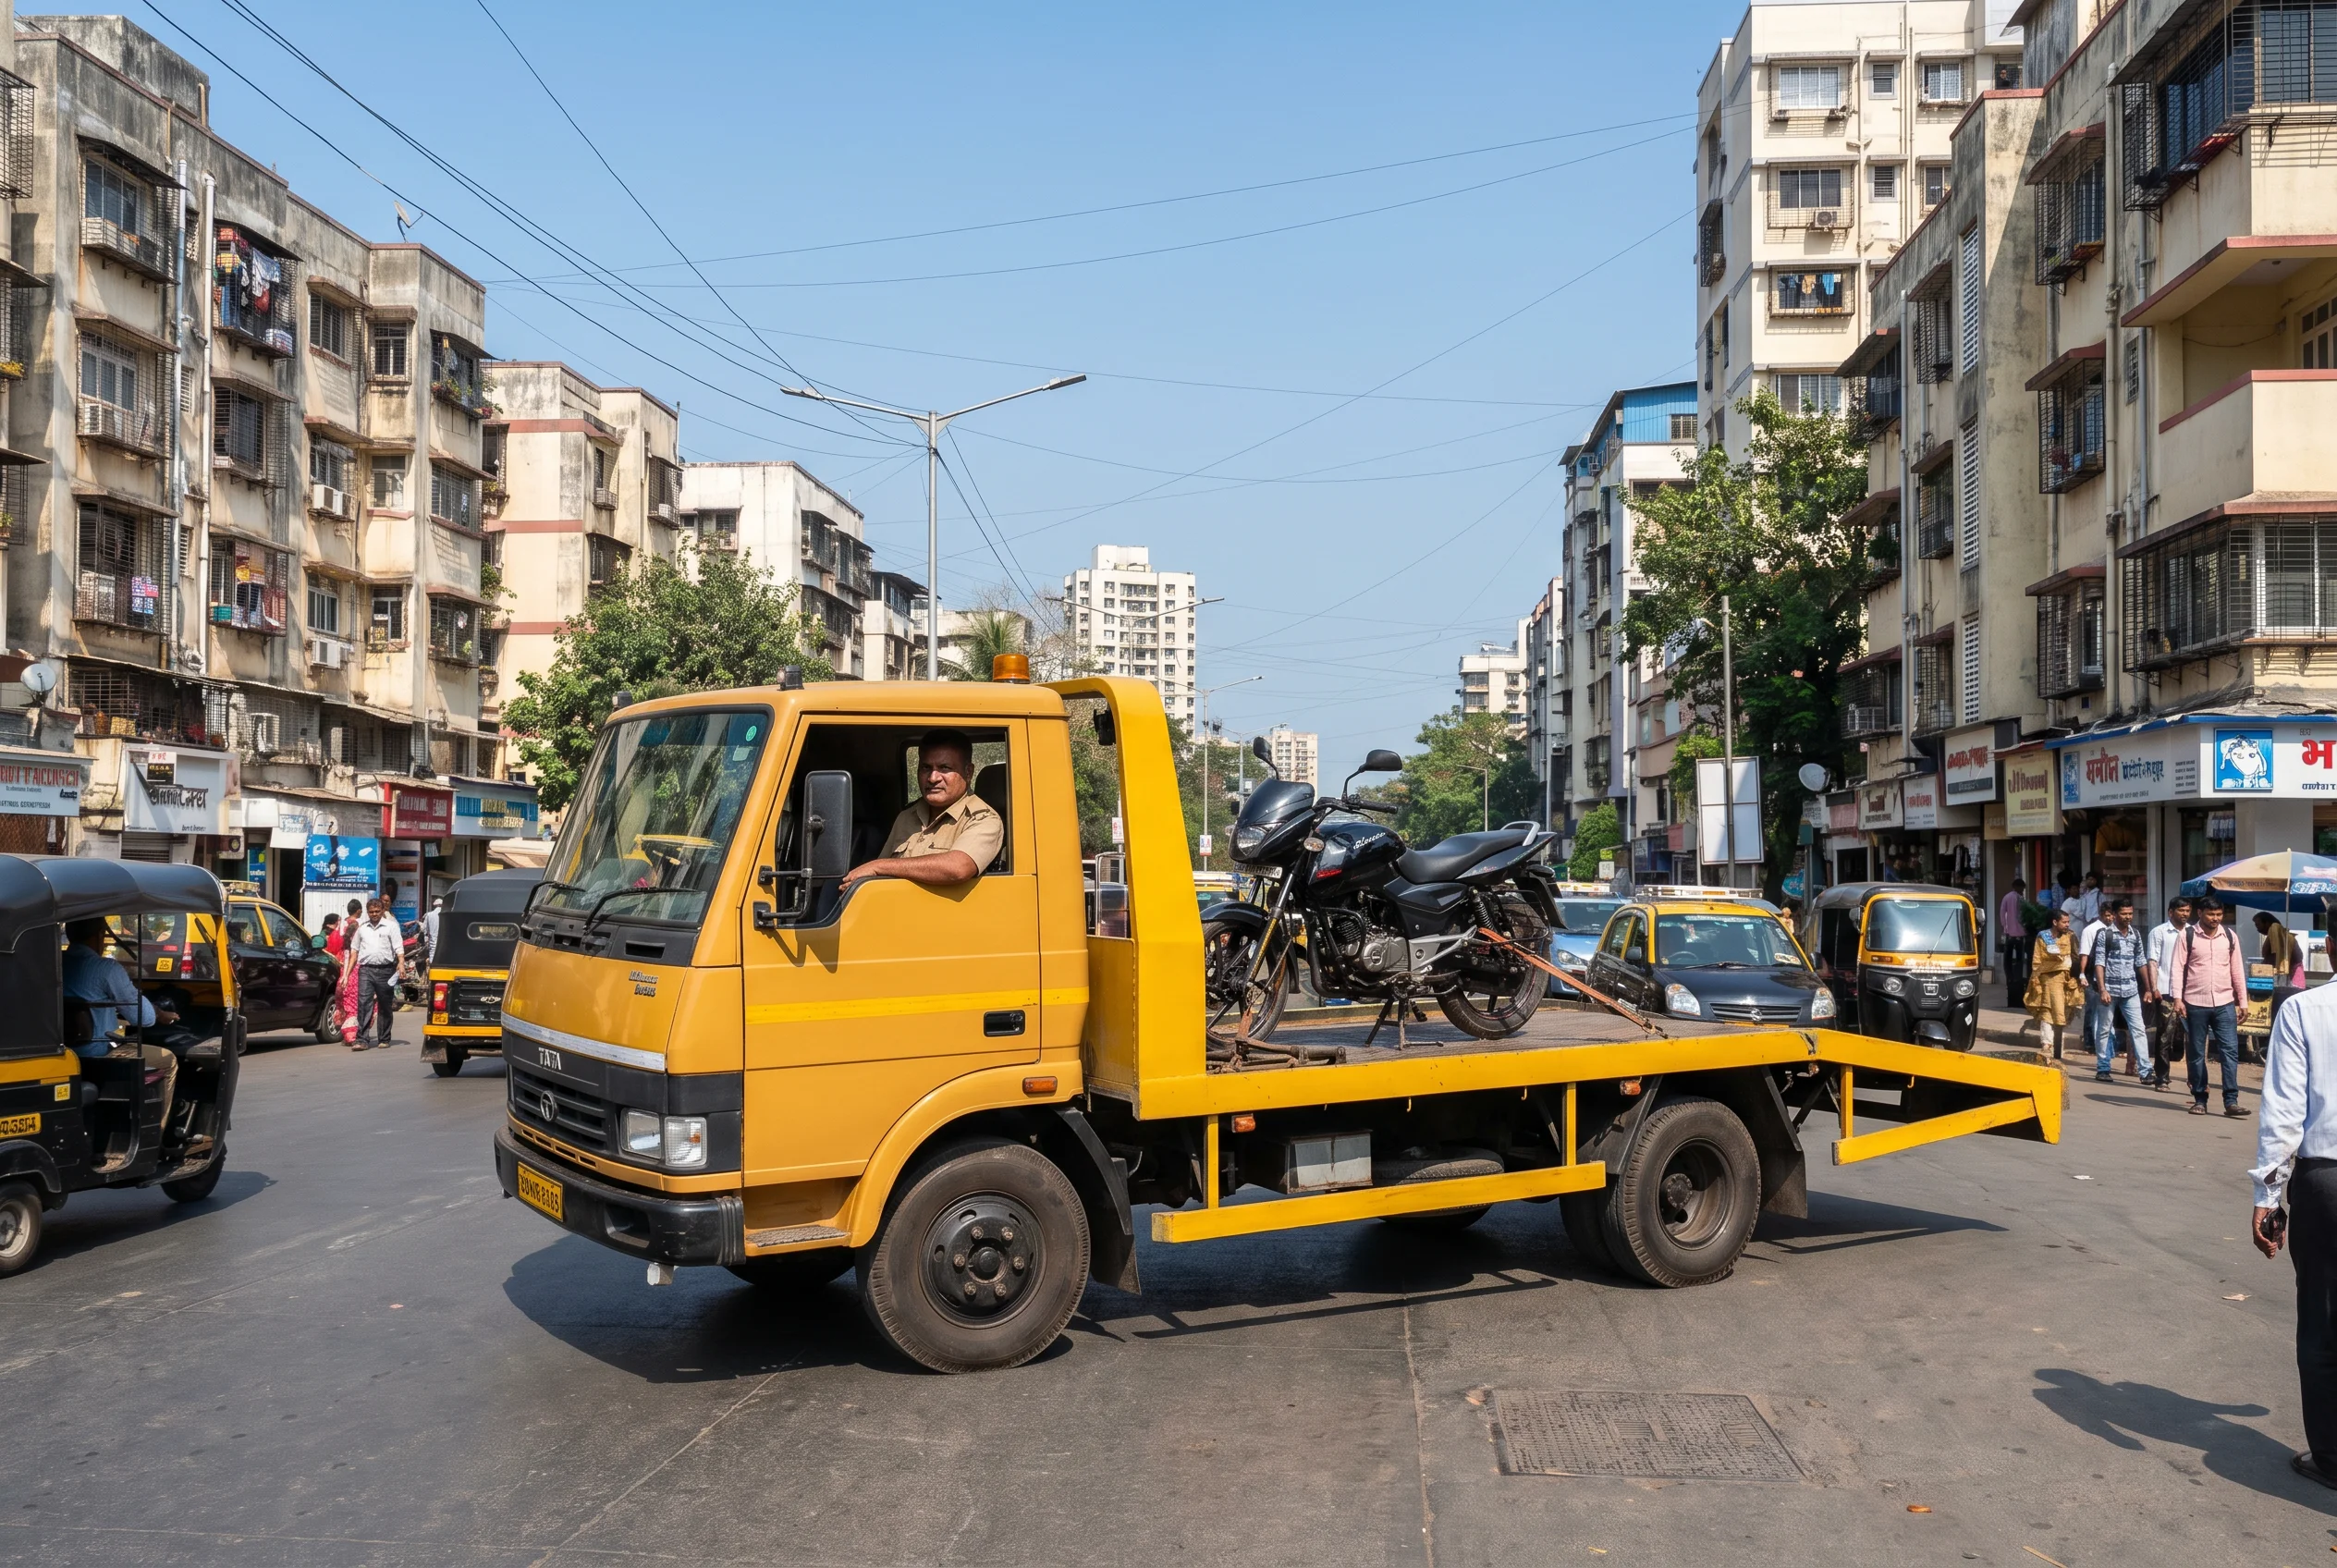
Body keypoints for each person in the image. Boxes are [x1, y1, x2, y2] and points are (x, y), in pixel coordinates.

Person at [2248, 979, 2337, 1490]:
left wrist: (2267, 1196)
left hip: (2328, 1183)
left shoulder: (2306, 1009)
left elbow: (2284, 1111)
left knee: (2324, 1327)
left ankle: (2332, 1456)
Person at [61, 918, 183, 1167]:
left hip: (63, 1053)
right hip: (98, 1053)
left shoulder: (54, 963)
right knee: (168, 1061)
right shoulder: (106, 968)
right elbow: (145, 1018)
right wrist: (160, 1013)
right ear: (99, 935)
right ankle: (153, 1139)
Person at [844, 729, 1004, 889]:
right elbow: (880, 879)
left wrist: (879, 866)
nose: (933, 778)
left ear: (968, 772)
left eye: (945, 768)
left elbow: (958, 868)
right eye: (926, 768)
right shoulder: (906, 817)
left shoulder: (984, 819)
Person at [2174, 895, 2250, 1118]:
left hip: (2225, 1004)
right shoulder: (2187, 936)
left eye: (2219, 915)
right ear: (2200, 914)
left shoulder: (2229, 936)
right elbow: (2177, 969)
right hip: (2194, 1003)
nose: (2215, 919)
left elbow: (2237, 970)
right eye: (2211, 914)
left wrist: (2242, 1002)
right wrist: (2178, 999)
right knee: (2196, 1053)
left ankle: (2231, 1101)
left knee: (2230, 1052)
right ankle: (2200, 1099)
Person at [2088, 898, 2155, 1085]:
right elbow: (2099, 962)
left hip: (2131, 991)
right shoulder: (2105, 934)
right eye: (2124, 914)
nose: (2128, 917)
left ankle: (2146, 1071)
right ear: (2115, 914)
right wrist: (2102, 989)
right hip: (2109, 991)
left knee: (2139, 1030)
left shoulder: (2136, 935)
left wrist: (2148, 988)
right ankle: (2103, 1068)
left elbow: (2140, 962)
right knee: (2103, 1029)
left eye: (2130, 913)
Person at [2146, 896, 2194, 1090]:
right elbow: (2153, 961)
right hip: (2166, 990)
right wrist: (2154, 987)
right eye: (2181, 910)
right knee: (2165, 1035)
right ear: (2171, 912)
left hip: (2190, 991)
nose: (2185, 914)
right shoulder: (2159, 932)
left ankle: (2194, 1079)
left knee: (2192, 1037)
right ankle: (2162, 1078)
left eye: (2187, 911)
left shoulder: (2193, 932)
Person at [348, 897, 407, 1050]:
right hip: (365, 970)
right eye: (371, 912)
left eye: (377, 911)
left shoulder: (391, 926)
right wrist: (346, 975)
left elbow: (398, 947)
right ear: (367, 913)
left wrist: (401, 964)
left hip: (386, 970)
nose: (374, 914)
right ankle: (361, 1039)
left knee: (385, 1005)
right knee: (363, 1004)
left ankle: (384, 1038)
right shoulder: (362, 928)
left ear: (382, 911)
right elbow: (354, 951)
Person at [2025, 908, 2084, 1060]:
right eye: (2064, 922)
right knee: (2047, 1010)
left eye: (2068, 922)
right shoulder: (2043, 937)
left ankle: (2058, 1047)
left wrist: (2078, 976)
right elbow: (2037, 960)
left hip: (2067, 979)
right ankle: (2047, 1044)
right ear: (2054, 922)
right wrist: (2036, 979)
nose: (2067, 925)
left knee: (2063, 1011)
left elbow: (2076, 957)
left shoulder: (2071, 936)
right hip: (2047, 979)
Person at [2260, 912, 2306, 1030]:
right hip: (2278, 984)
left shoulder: (2285, 938)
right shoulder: (2275, 938)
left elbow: (2297, 957)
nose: (2257, 928)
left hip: (2288, 984)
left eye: (2258, 924)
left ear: (2267, 923)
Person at [2000, 878, 2032, 1009]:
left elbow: (2002, 913)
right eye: (2022, 888)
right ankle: (2016, 977)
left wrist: (2005, 928)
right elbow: (2023, 916)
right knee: (2019, 957)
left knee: (2007, 957)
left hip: (2009, 934)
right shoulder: (2020, 899)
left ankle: (2010, 977)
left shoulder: (2007, 897)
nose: (2022, 891)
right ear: (2016, 887)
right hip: (2019, 933)